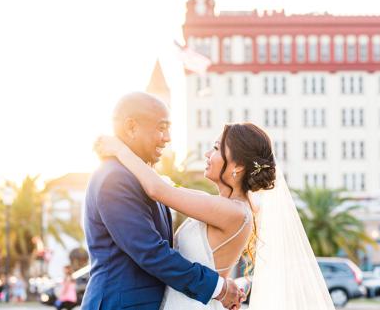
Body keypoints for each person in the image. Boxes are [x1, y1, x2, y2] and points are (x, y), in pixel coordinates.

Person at [95, 95, 336, 309]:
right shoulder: (214, 204)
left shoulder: (233, 212)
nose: (207, 155)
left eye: (216, 148)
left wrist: (119, 148)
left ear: (238, 166)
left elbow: (158, 189)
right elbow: (165, 187)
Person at [82, 93, 243, 310]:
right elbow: (150, 252)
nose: (167, 137)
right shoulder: (115, 178)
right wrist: (219, 289)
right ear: (131, 128)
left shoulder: (145, 179)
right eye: (161, 128)